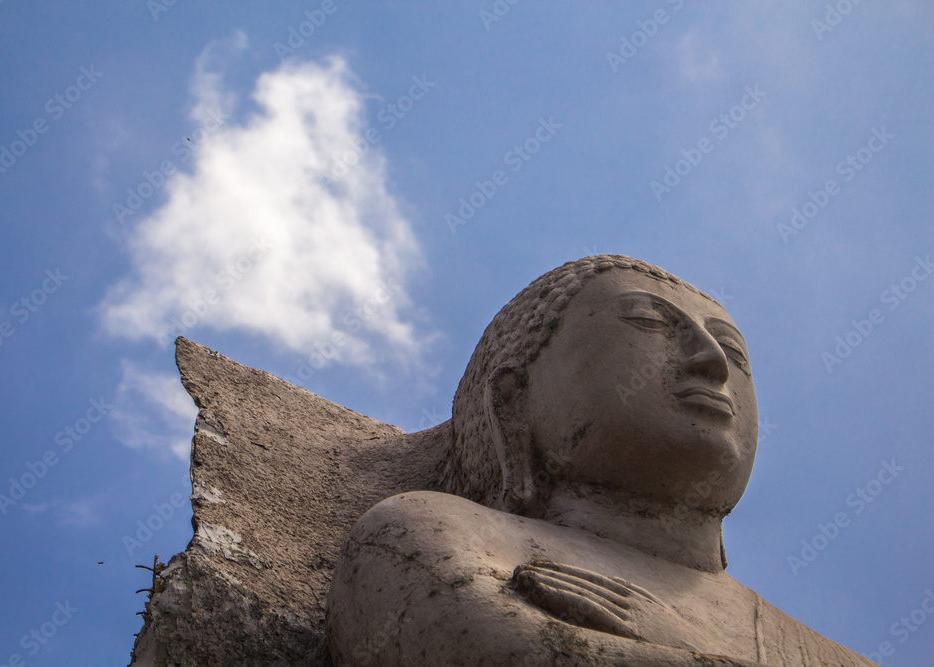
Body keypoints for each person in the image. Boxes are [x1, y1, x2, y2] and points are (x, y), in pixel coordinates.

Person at [326, 255, 875, 666]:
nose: (711, 362)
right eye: (649, 323)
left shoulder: (830, 653)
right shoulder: (432, 534)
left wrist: (673, 639)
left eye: (732, 351)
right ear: (514, 404)